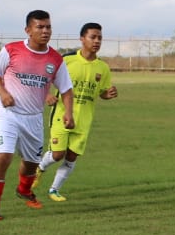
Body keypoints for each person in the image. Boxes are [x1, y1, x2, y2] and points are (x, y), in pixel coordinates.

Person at [0, 10, 74, 220]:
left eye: (48, 27)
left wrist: (68, 113)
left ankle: (24, 190)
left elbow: (66, 90)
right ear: (28, 30)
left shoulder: (55, 59)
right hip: (8, 113)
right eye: (40, 27)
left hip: (33, 118)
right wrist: (3, 93)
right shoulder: (11, 50)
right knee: (3, 157)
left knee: (31, 163)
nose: (45, 31)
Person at [33, 22, 118, 202]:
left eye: (100, 38)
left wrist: (107, 94)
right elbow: (43, 78)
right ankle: (39, 168)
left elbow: (101, 92)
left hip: (84, 119)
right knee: (57, 154)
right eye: (92, 37)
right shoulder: (66, 60)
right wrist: (47, 94)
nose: (96, 41)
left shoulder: (103, 67)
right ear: (82, 39)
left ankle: (54, 190)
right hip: (62, 115)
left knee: (71, 157)